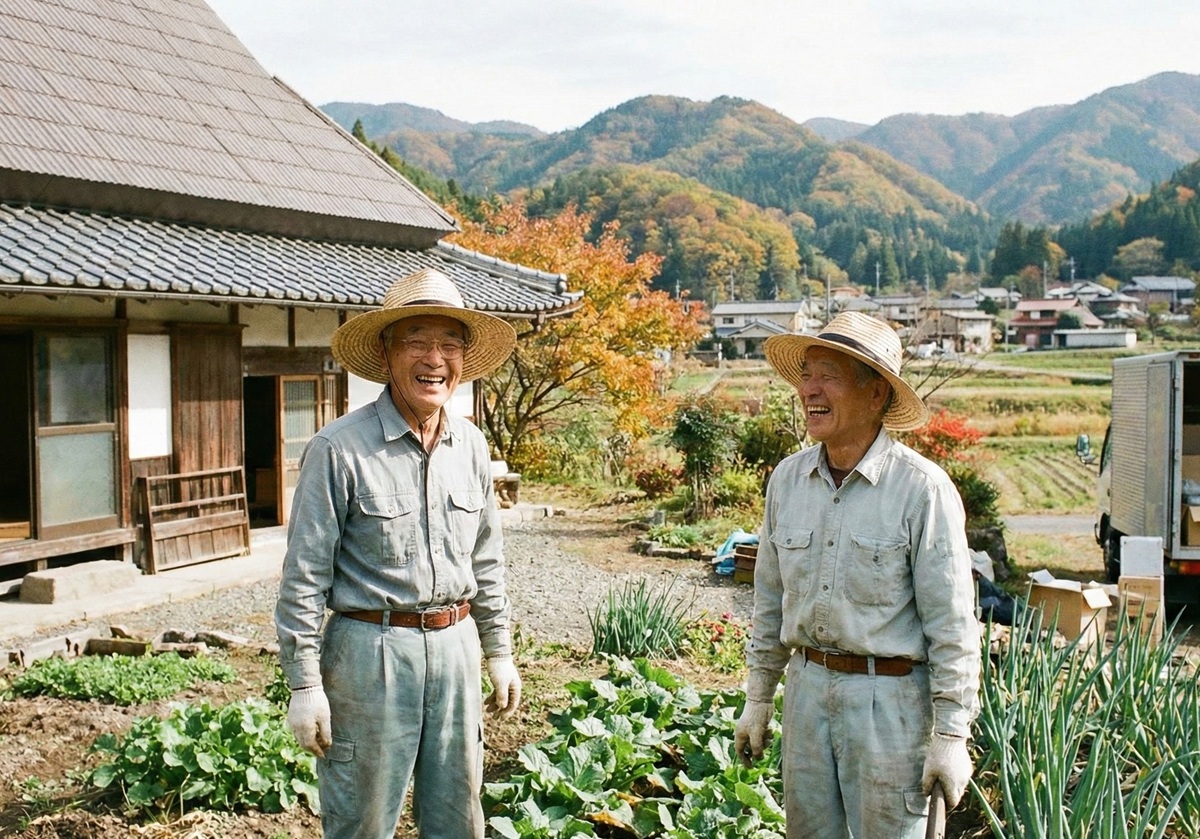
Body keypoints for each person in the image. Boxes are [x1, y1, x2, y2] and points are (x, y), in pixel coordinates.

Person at [275, 267, 522, 839]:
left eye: (449, 344)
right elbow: (303, 579)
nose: (435, 358)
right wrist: (304, 685)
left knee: (458, 820)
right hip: (369, 653)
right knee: (362, 823)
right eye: (417, 341)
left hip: (457, 648)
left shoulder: (472, 445)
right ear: (386, 354)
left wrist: (499, 651)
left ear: (463, 358)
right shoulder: (338, 449)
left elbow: (486, 560)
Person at [734, 312, 981, 839]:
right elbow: (770, 601)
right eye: (806, 375)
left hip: (889, 705)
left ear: (876, 396)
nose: (809, 390)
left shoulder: (922, 490)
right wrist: (759, 697)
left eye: (830, 376)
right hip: (807, 691)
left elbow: (953, 625)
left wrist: (951, 735)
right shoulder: (787, 480)